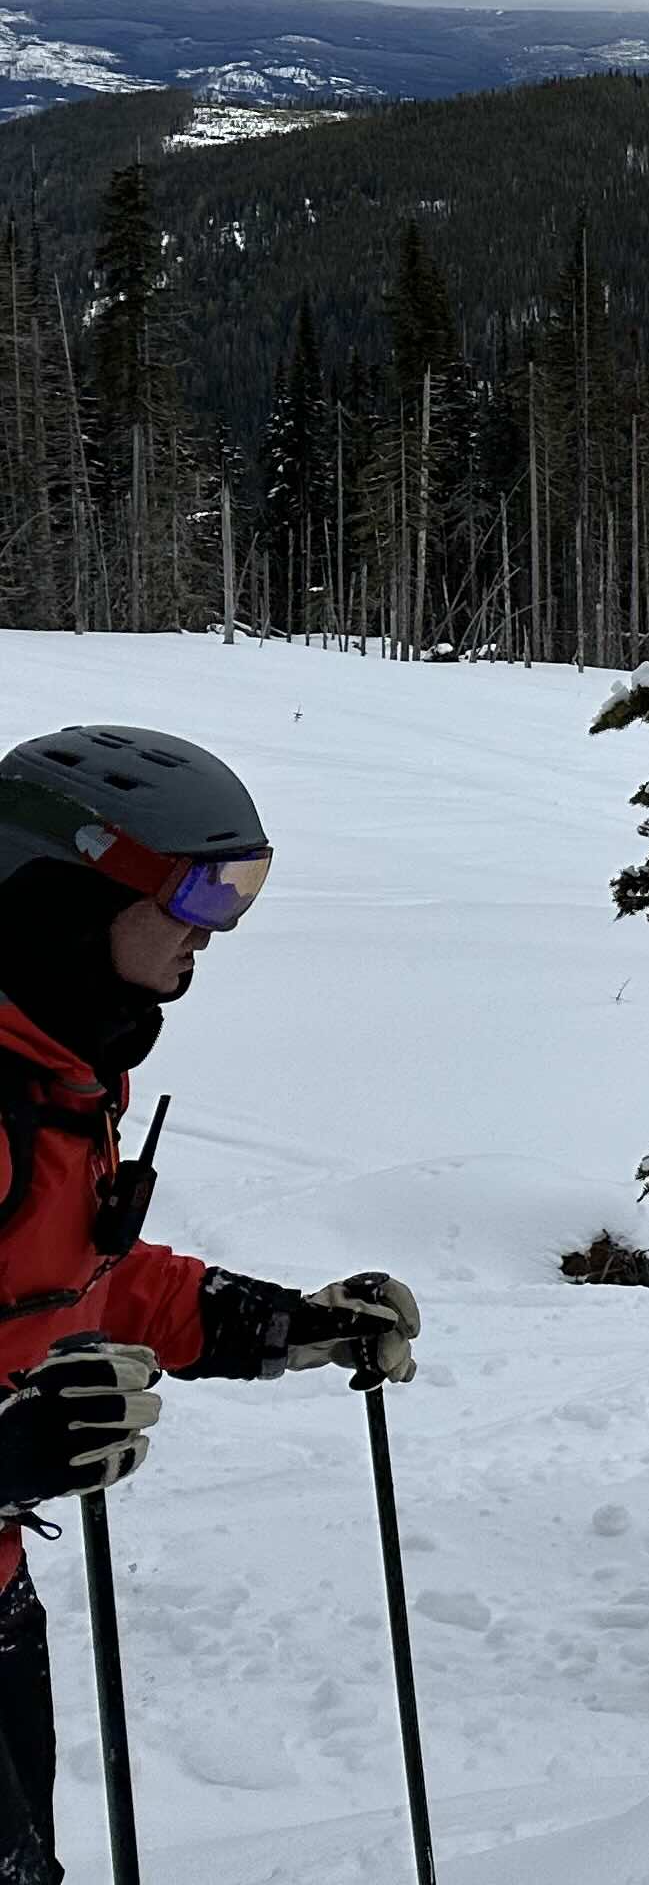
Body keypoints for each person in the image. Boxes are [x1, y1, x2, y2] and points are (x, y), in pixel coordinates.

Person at [0, 727, 417, 1884]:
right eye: (191, 896)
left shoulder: (61, 1071)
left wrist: (284, 1322)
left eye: (235, 896)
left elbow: (84, 1278)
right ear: (64, 894)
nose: (210, 933)